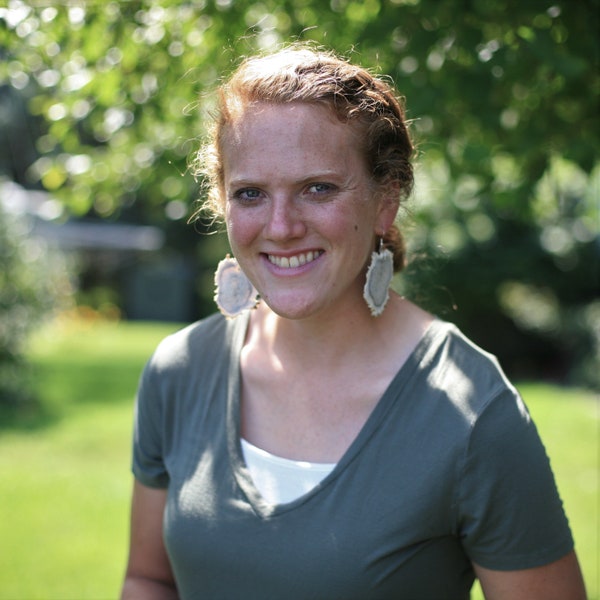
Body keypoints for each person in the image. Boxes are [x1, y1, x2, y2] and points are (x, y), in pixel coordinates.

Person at [121, 45, 586, 599]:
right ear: (223, 205)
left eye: (318, 188)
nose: (282, 225)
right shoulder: (179, 373)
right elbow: (148, 580)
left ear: (385, 202)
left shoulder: (474, 416)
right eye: (250, 194)